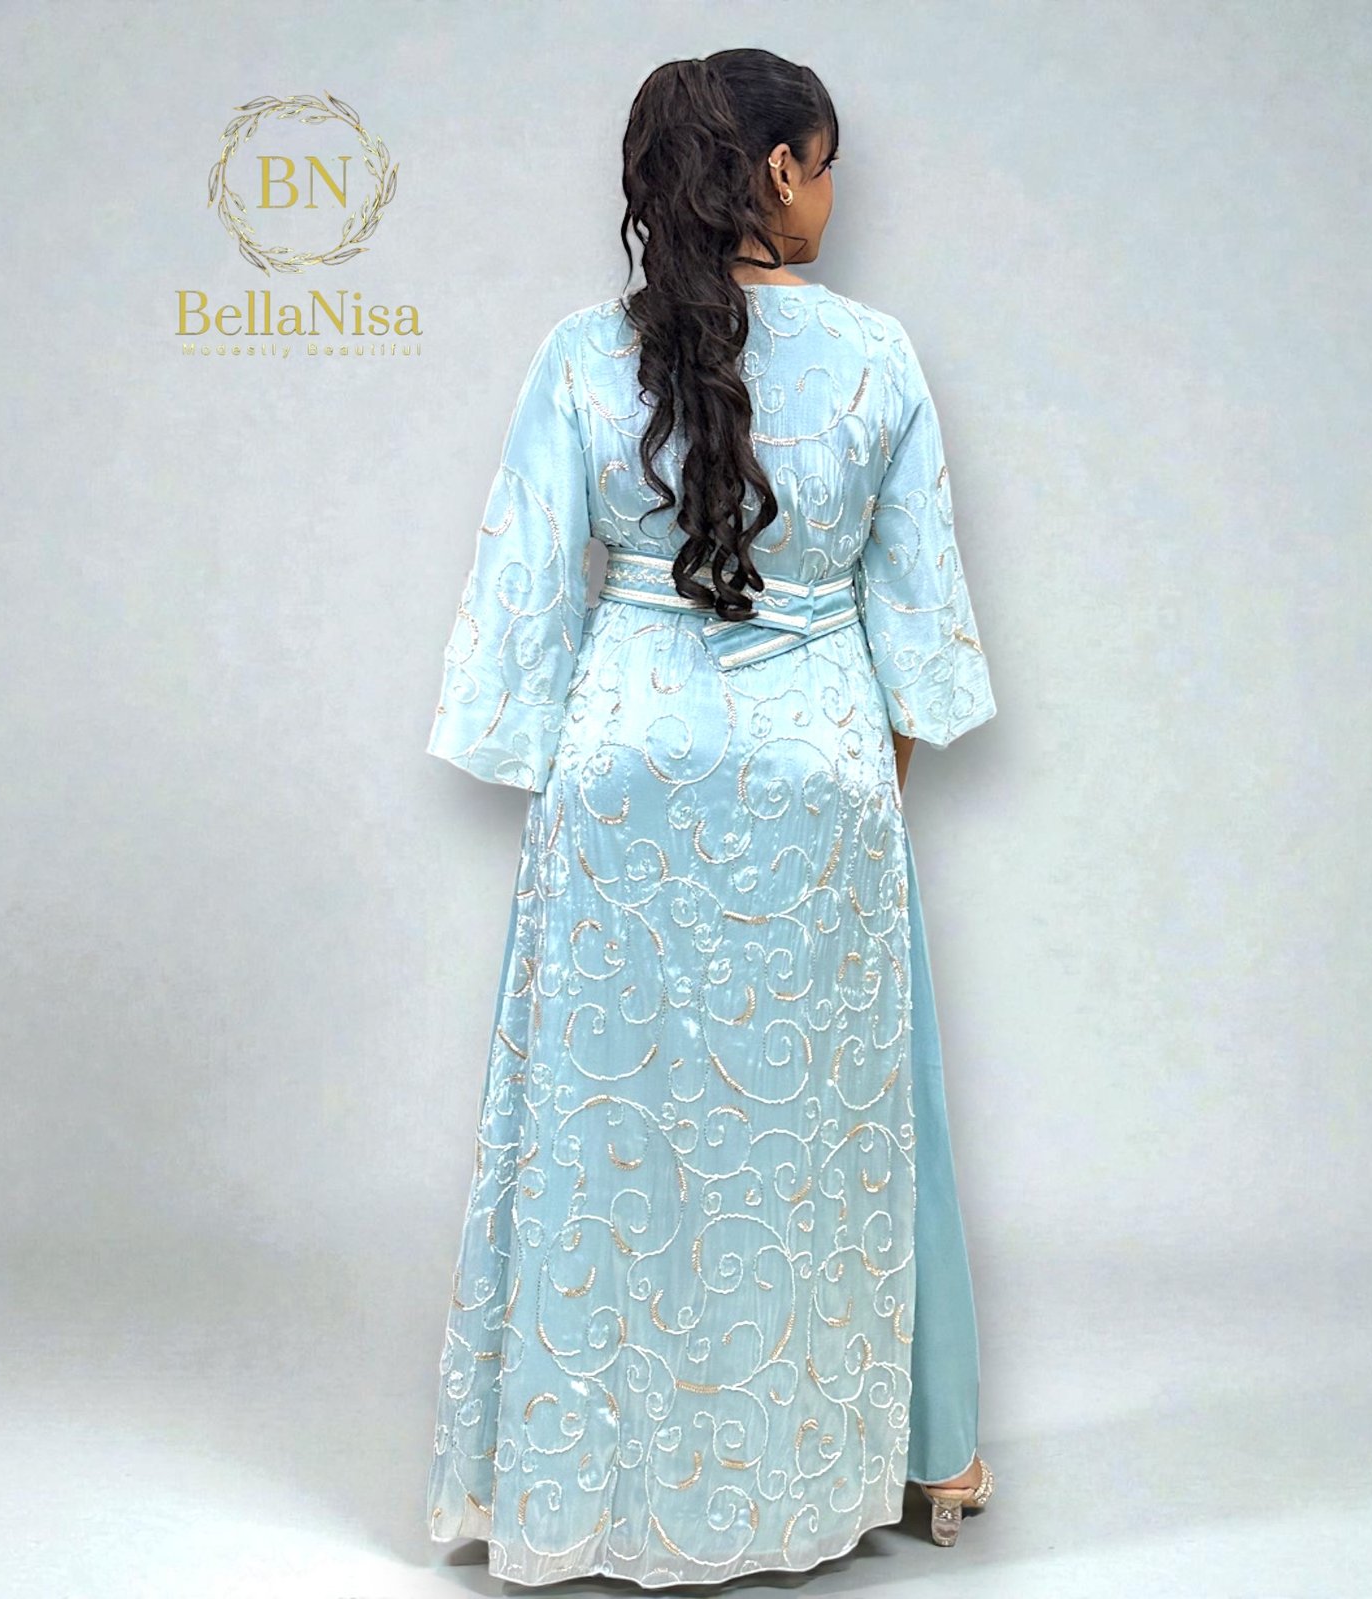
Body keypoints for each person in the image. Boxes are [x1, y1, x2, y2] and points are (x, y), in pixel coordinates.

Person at [423, 47, 998, 1588]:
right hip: (816, 764)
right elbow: (916, 618)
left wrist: (565, 754)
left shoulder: (579, 355)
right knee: (831, 1134)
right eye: (827, 161)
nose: (834, 190)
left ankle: (569, 1483)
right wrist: (864, 792)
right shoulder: (876, 356)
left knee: (611, 1128)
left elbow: (525, 595)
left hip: (624, 763)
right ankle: (910, 1458)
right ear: (782, 169)